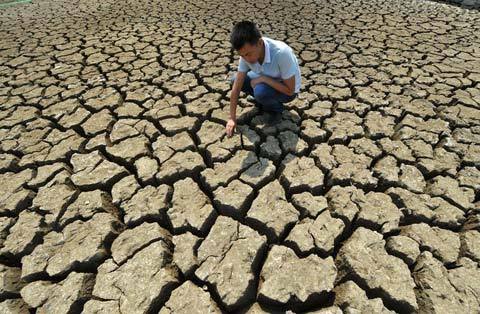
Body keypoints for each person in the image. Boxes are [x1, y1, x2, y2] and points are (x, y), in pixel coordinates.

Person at [226, 21, 301, 136]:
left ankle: (276, 110)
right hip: (265, 82)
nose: (246, 58)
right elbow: (236, 88)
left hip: (287, 91)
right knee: (235, 80)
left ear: (260, 43)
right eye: (242, 55)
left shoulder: (281, 53)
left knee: (261, 92)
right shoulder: (246, 55)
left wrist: (264, 79)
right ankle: (263, 100)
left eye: (248, 54)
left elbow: (290, 90)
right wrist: (232, 118)